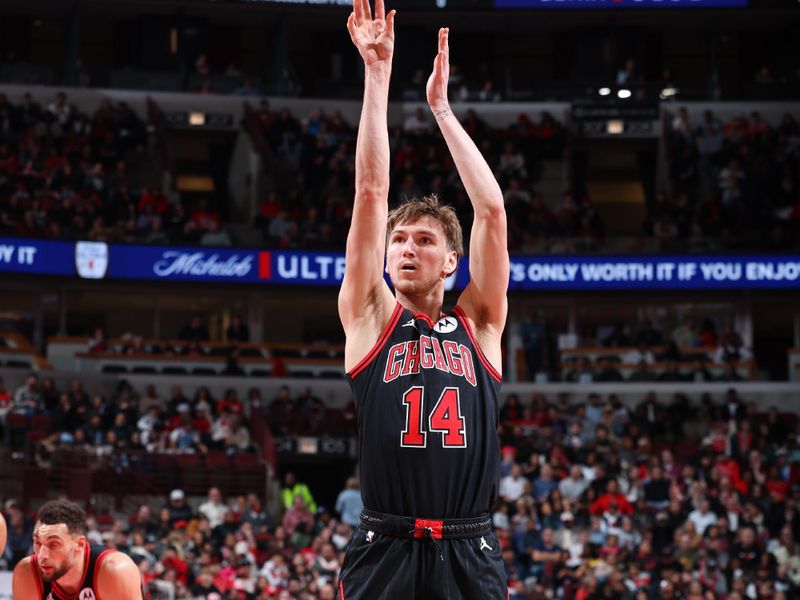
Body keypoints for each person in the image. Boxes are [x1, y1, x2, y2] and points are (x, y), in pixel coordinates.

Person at [337, 1, 509, 597]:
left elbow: (489, 210)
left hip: (470, 545)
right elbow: (369, 190)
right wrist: (377, 76)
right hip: (386, 545)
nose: (408, 248)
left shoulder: (481, 325)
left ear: (451, 261)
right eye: (399, 240)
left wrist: (441, 108)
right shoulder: (368, 316)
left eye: (425, 240)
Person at [12, 499, 142, 598]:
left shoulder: (115, 571)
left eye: (54, 545)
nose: (42, 556)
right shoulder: (27, 572)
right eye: (38, 543)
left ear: (79, 544)